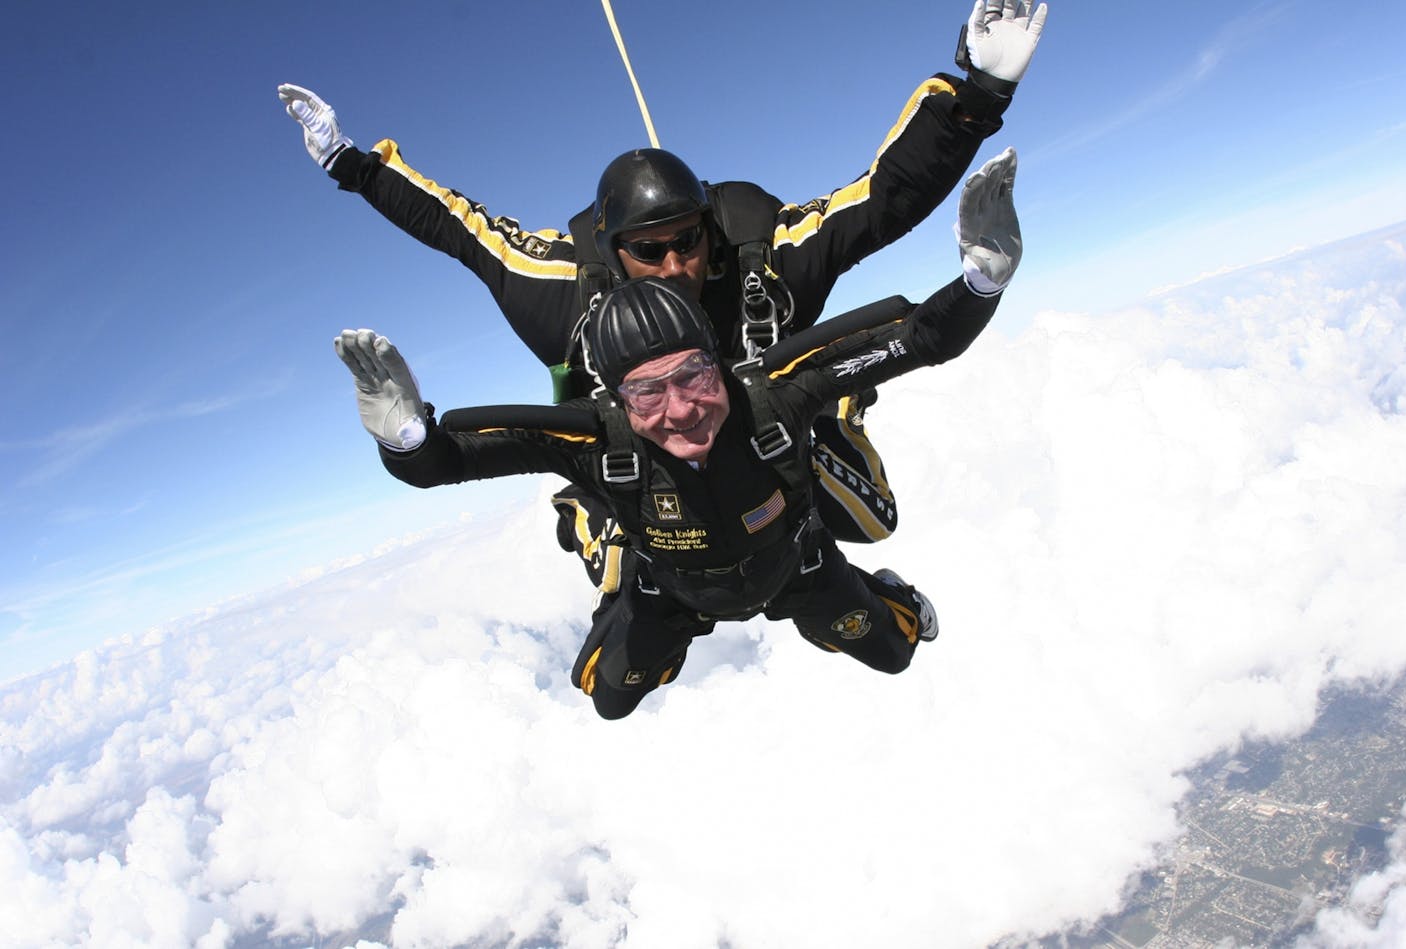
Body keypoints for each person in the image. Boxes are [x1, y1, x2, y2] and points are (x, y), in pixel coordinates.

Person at [281, 1, 1048, 560]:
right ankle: (593, 512)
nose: (677, 264)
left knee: (869, 519)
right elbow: (461, 229)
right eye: (650, 252)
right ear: (614, 255)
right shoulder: (560, 293)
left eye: (688, 241)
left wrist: (979, 94)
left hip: (773, 423)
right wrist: (351, 164)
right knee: (623, 562)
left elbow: (878, 202)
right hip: (639, 456)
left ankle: (830, 417)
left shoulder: (763, 261)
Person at [334, 147, 1023, 719]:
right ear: (618, 401)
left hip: (797, 564)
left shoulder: (775, 400)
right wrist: (405, 436)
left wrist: (981, 281)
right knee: (605, 696)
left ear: (720, 361)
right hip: (673, 589)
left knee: (896, 653)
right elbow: (448, 461)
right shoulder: (601, 442)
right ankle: (592, 520)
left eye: (696, 374)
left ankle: (874, 588)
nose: (682, 409)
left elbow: (919, 339)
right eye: (647, 391)